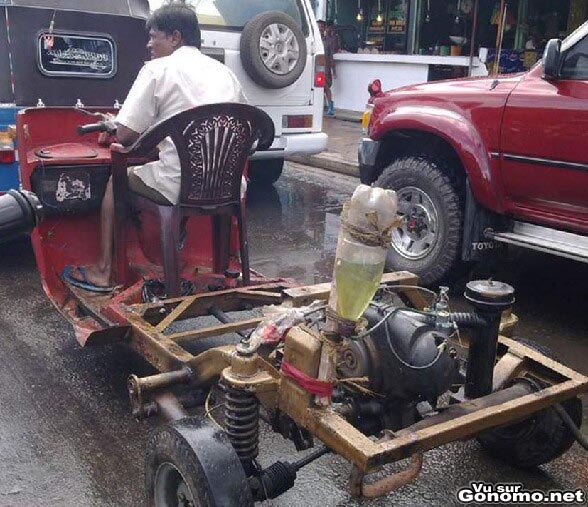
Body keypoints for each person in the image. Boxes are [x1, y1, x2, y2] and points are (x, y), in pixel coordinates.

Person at [63, 3, 246, 292]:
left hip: (178, 184)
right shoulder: (225, 74)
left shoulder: (157, 69)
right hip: (230, 186)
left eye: (154, 37)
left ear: (175, 37)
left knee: (115, 182)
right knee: (176, 172)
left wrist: (114, 127)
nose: (149, 44)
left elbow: (123, 135)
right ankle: (221, 265)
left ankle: (103, 271)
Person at [317, 19, 339, 116]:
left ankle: (330, 107)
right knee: (317, 88)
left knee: (325, 87)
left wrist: (333, 71)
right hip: (314, 68)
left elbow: (331, 57)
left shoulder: (328, 41)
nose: (320, 28)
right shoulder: (312, 40)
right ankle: (319, 107)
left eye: (322, 26)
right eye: (318, 26)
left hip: (325, 69)